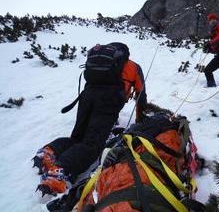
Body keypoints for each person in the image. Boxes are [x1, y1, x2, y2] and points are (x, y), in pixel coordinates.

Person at [33, 42, 147, 195]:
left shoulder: (99, 62)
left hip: (87, 96)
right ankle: (60, 172)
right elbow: (141, 96)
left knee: (78, 137)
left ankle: (49, 151)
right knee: (92, 145)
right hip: (108, 101)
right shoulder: (133, 67)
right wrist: (140, 119)